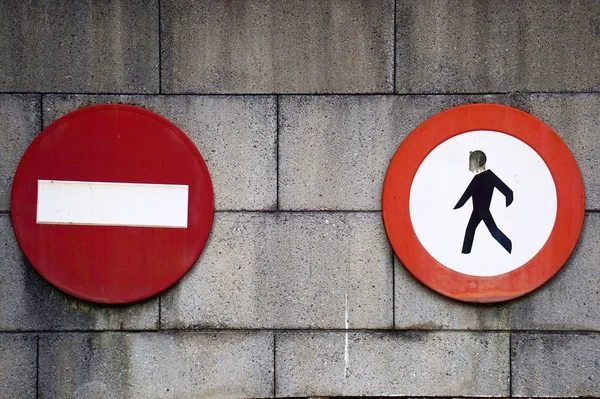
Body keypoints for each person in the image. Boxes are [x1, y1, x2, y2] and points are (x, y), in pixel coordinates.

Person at [454, 150, 513, 254]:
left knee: (493, 232)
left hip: (482, 210)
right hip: (477, 210)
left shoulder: (482, 177)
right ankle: (465, 253)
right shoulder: (487, 176)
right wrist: (508, 198)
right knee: (471, 229)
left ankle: (508, 245)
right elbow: (508, 191)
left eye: (471, 162)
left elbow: (466, 195)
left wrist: (456, 206)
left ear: (477, 162)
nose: (470, 165)